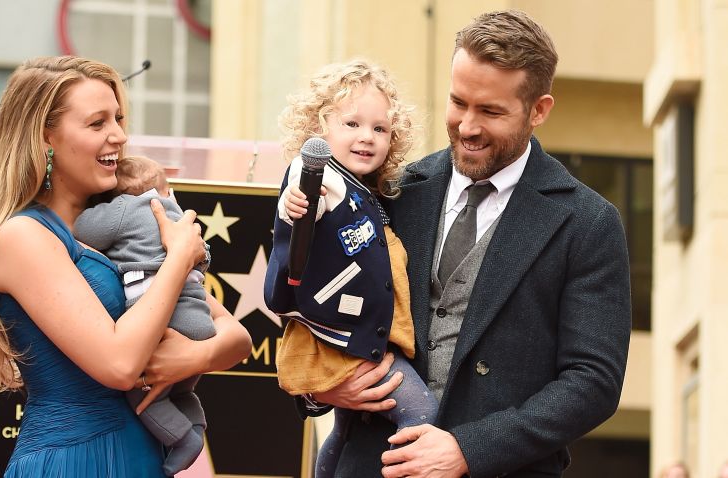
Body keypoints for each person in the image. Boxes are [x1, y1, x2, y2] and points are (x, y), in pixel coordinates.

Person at [294, 10, 632, 478]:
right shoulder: (391, 190)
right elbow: (316, 299)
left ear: (539, 110)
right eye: (458, 102)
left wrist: (469, 449)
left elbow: (593, 383)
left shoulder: (588, 223)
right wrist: (319, 389)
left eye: (491, 111)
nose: (468, 126)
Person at [0, 56, 252, 477]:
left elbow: (238, 339)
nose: (119, 136)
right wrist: (179, 257)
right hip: (75, 461)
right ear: (44, 138)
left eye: (119, 119)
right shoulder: (23, 236)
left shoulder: (126, 227)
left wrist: (192, 357)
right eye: (97, 124)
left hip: (142, 458)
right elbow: (120, 365)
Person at [263, 59, 437, 478]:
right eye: (352, 124)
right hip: (343, 339)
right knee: (423, 411)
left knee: (342, 428)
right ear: (319, 129)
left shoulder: (369, 192)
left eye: (379, 129)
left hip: (349, 337)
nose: (366, 137)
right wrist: (295, 205)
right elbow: (303, 202)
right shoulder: (321, 177)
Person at [73, 155, 215, 476]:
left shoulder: (126, 208)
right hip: (198, 319)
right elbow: (204, 256)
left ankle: (182, 438)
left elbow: (83, 228)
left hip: (165, 325)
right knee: (182, 390)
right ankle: (195, 425)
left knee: (142, 393)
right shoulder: (179, 218)